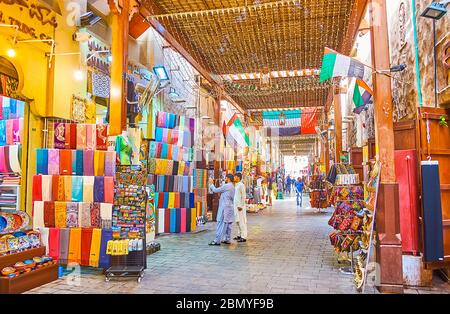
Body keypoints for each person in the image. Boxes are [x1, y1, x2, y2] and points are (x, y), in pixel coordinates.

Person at [209, 174, 235, 246]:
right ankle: (227, 239)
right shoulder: (232, 186)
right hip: (229, 206)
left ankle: (217, 240)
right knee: (228, 223)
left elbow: (215, 190)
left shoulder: (227, 186)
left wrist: (211, 184)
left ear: (228, 178)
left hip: (224, 207)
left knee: (221, 223)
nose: (225, 179)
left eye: (226, 178)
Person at [233, 173, 247, 242]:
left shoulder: (241, 185)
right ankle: (239, 234)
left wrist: (241, 205)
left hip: (240, 206)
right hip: (236, 205)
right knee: (237, 221)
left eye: (235, 177)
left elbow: (244, 196)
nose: (234, 178)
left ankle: (243, 236)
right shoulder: (236, 185)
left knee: (242, 221)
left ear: (238, 177)